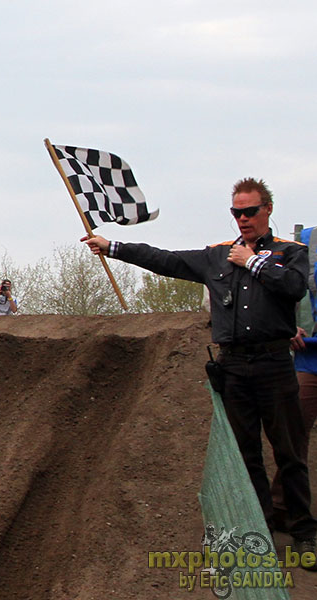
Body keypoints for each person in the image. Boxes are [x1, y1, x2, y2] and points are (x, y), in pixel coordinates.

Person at [81, 177, 317, 563]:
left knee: (290, 452)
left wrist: (253, 262)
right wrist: (114, 247)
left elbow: (293, 288)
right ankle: (260, 531)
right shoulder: (217, 255)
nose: (242, 219)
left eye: (250, 212)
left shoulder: (289, 252)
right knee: (246, 455)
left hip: (275, 363)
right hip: (234, 365)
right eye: (236, 213)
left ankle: (306, 532)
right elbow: (167, 260)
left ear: (267, 210)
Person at [271, 224, 317, 533]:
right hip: (309, 358)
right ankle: (280, 508)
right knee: (294, 433)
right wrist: (286, 324)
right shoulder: (306, 240)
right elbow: (271, 285)